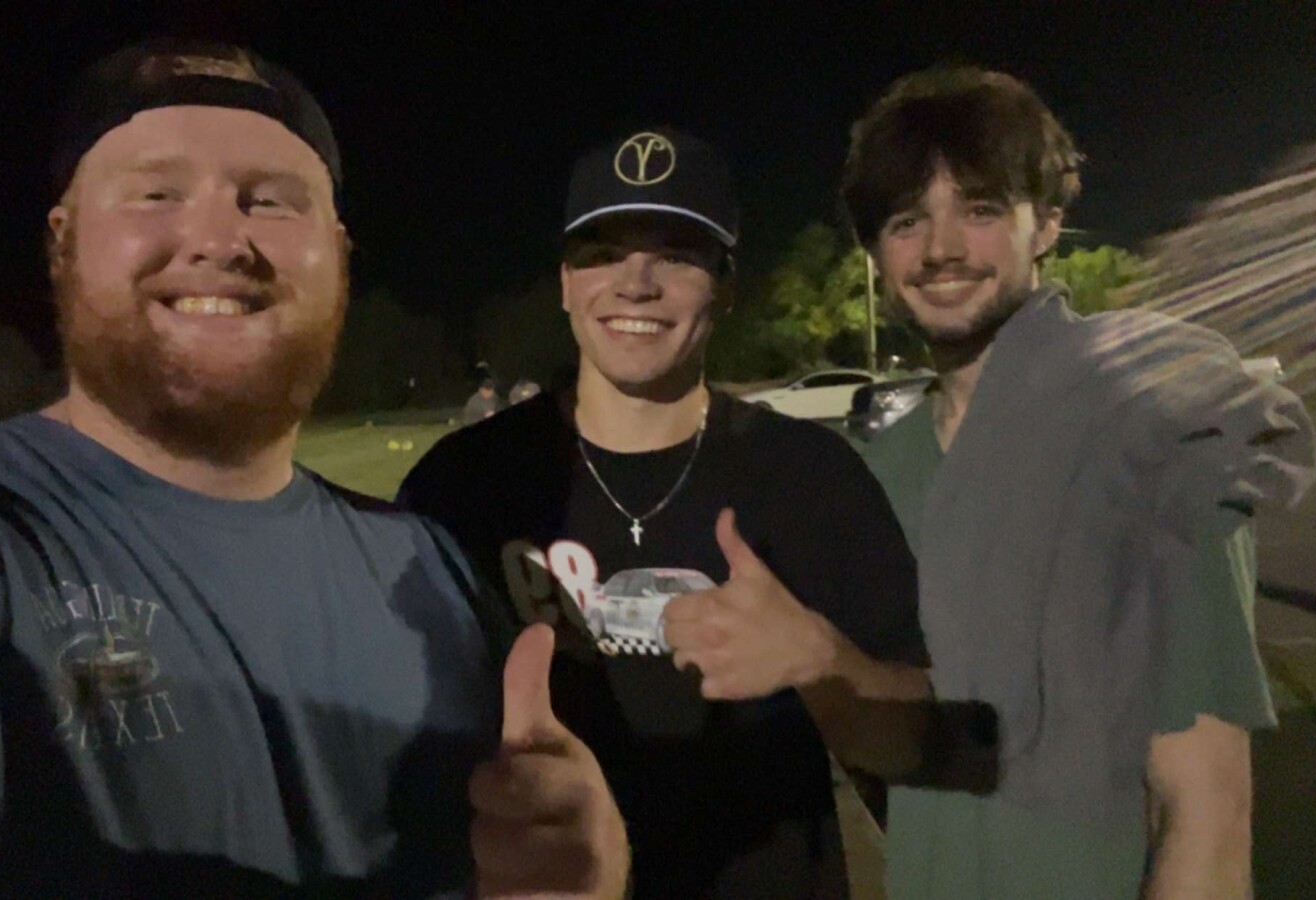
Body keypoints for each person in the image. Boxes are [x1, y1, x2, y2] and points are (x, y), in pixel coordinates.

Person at [0, 39, 627, 898]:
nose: (219, 239)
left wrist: (577, 872)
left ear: (338, 251)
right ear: (62, 242)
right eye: (156, 193)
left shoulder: (431, 572)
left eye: (271, 201)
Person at [400, 126, 933, 898]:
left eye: (677, 255)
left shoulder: (811, 476)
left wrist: (826, 666)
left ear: (726, 285)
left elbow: (919, 745)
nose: (636, 284)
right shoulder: (463, 484)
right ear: (566, 282)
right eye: (603, 252)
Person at [841, 66, 1316, 899]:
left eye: (981, 210)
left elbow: (1207, 814)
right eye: (907, 220)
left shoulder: (1148, 438)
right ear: (877, 251)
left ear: (1048, 224)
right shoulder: (881, 474)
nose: (941, 248)